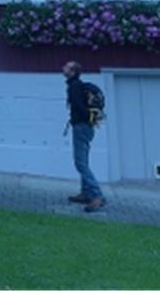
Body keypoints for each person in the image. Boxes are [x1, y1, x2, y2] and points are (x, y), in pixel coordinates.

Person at [63, 60, 105, 212]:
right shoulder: (78, 86)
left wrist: (82, 118)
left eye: (67, 68)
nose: (63, 69)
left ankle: (97, 196)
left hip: (81, 127)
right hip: (86, 127)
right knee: (84, 161)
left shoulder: (74, 87)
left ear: (73, 72)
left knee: (80, 163)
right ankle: (85, 193)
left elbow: (79, 107)